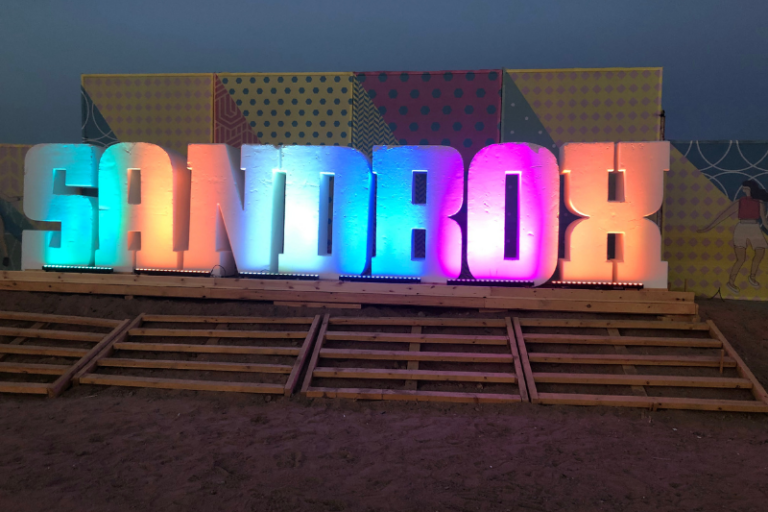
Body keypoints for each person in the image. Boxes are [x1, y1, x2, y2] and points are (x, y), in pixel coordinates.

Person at [698, 180, 768, 293]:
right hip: (741, 228)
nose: (743, 190)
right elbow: (723, 215)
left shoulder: (759, 203)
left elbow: (764, 222)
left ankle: (752, 277)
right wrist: (708, 227)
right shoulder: (740, 202)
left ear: (748, 189)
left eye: (744, 188)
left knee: (760, 252)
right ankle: (731, 282)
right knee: (741, 259)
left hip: (754, 228)